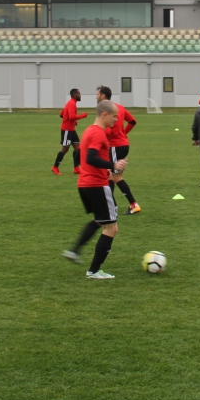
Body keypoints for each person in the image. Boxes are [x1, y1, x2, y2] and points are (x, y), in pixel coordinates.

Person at [63, 99, 128, 279]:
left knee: (100, 220)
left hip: (85, 184)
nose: (117, 120)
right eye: (114, 116)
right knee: (111, 228)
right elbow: (91, 158)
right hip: (97, 185)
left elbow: (84, 157)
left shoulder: (89, 131)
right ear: (105, 115)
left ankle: (74, 250)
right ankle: (93, 271)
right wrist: (113, 165)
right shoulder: (99, 133)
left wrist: (106, 170)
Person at [97, 85, 140, 214]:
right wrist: (124, 133)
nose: (96, 97)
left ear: (103, 96)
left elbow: (108, 131)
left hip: (115, 146)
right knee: (111, 176)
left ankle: (133, 204)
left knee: (114, 176)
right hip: (124, 144)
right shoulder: (119, 107)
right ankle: (112, 206)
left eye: (97, 94)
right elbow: (133, 121)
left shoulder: (106, 110)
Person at [53, 88, 88, 175]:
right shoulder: (71, 103)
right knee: (65, 149)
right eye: (79, 94)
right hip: (67, 130)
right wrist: (83, 116)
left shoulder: (70, 103)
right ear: (75, 94)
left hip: (72, 130)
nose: (80, 95)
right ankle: (55, 167)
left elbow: (61, 114)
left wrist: (73, 121)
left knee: (77, 147)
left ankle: (76, 168)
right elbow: (71, 116)